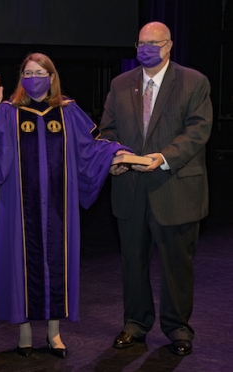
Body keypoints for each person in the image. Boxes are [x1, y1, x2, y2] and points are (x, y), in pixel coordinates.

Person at [0, 53, 128, 358]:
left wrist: (119, 153)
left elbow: (91, 147)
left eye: (40, 71)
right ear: (21, 77)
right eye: (28, 72)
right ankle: (25, 334)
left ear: (52, 76)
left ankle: (55, 334)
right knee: (22, 262)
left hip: (60, 204)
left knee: (58, 262)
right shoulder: (8, 111)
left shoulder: (68, 111)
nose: (34, 77)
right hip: (20, 205)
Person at [100, 21, 212, 356]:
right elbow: (107, 129)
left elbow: (197, 130)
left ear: (169, 45)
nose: (145, 48)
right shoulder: (121, 84)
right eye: (140, 43)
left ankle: (178, 328)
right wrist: (114, 156)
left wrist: (162, 157)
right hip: (130, 189)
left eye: (153, 43)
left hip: (175, 187)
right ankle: (135, 323)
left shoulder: (194, 82)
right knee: (132, 262)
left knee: (177, 265)